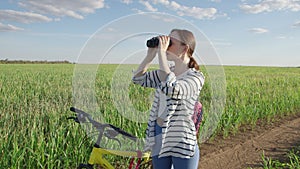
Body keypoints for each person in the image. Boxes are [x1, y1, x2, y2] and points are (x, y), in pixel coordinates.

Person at [132, 29, 205, 169]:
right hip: (159, 135)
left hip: (181, 138)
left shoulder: (195, 77)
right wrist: (150, 56)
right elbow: (138, 78)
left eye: (171, 42)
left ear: (185, 48)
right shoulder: (166, 71)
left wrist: (161, 55)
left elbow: (173, 89)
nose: (166, 46)